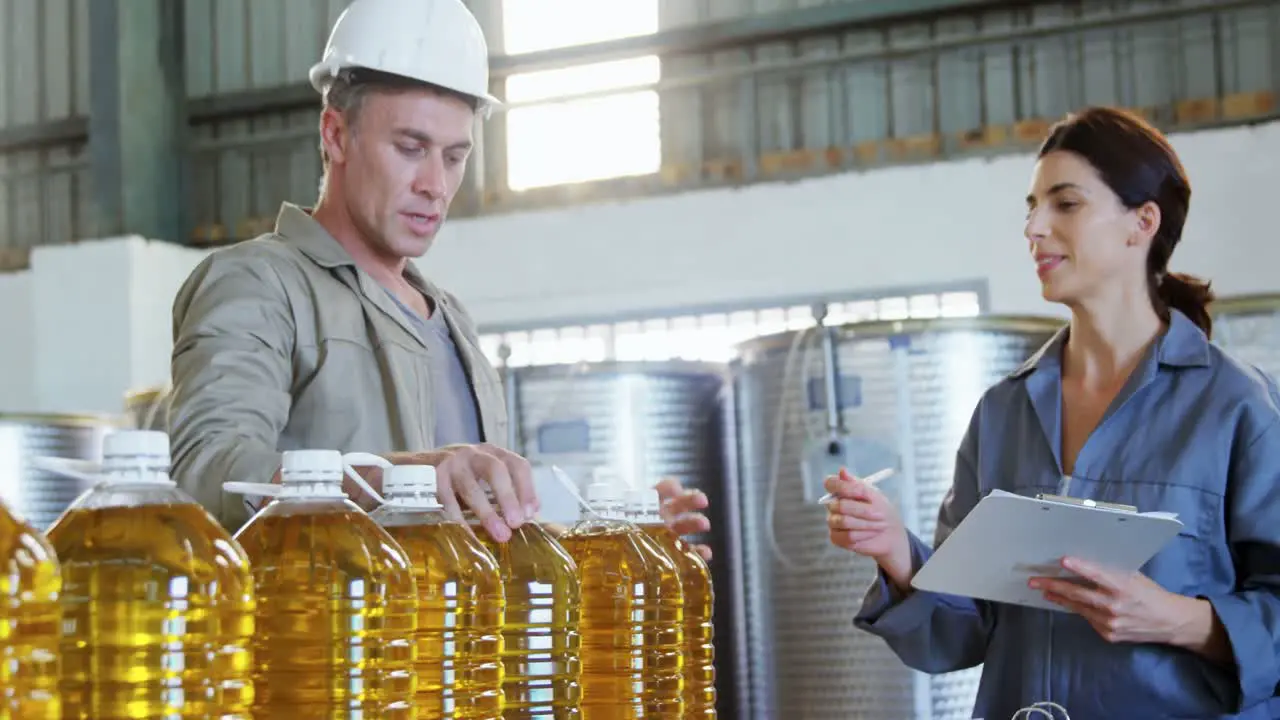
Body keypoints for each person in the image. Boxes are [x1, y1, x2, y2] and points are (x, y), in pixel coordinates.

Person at [165, 0, 712, 554]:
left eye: (454, 157)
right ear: (335, 134)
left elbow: (481, 531)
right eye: (410, 148)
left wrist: (611, 539)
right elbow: (209, 476)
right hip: (327, 635)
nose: (435, 184)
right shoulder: (258, 284)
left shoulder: (452, 321)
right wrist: (399, 480)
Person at [825, 106, 1280, 719]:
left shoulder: (1235, 406)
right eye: (1031, 206)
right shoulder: (1003, 412)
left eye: (1064, 204)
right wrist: (897, 556)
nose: (1033, 227)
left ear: (1142, 222)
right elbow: (965, 631)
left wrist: (1180, 619)